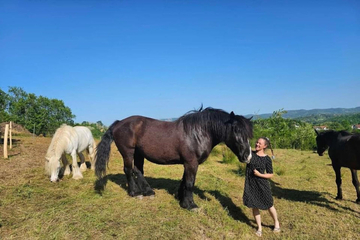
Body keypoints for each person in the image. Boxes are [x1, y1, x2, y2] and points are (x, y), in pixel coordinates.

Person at [243, 137, 280, 237]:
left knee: (269, 204)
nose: (257, 144)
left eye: (260, 143)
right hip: (251, 183)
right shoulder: (251, 154)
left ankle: (276, 222)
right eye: (256, 142)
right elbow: (243, 147)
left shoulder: (267, 159)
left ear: (265, 146)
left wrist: (260, 175)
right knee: (254, 205)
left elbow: (270, 174)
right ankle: (259, 227)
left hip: (262, 184)